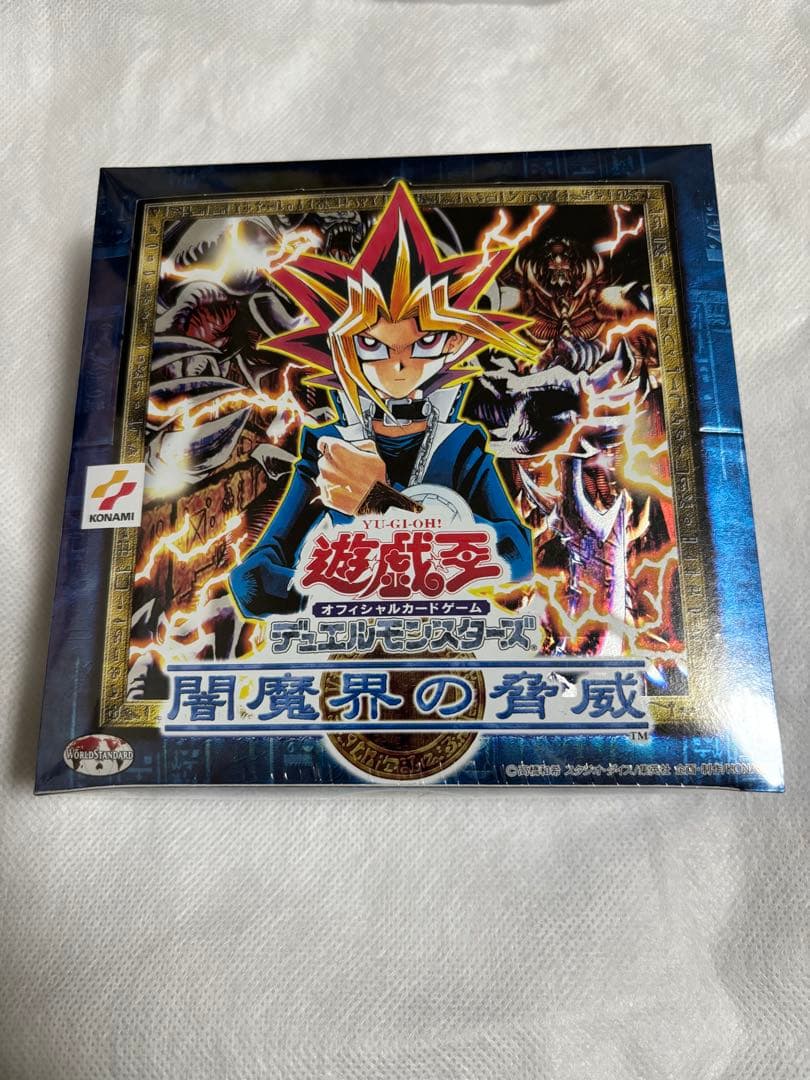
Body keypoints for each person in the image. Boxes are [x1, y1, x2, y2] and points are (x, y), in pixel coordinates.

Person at [230, 182, 536, 617]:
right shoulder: (329, 448)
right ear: (341, 347)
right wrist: (329, 586)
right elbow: (251, 581)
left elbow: (517, 557)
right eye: (373, 345)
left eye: (423, 343)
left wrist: (384, 505)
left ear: (452, 343)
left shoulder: (459, 445)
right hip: (350, 634)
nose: (399, 364)